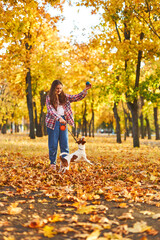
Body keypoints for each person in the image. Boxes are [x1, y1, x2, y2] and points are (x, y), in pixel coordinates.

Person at [45, 79, 92, 171]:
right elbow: (50, 110)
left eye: (60, 88)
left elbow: (76, 97)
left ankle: (65, 163)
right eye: (57, 88)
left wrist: (85, 90)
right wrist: (59, 118)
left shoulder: (65, 97)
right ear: (53, 88)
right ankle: (52, 163)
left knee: (64, 144)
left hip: (63, 122)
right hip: (53, 122)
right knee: (53, 144)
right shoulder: (49, 98)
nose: (59, 90)